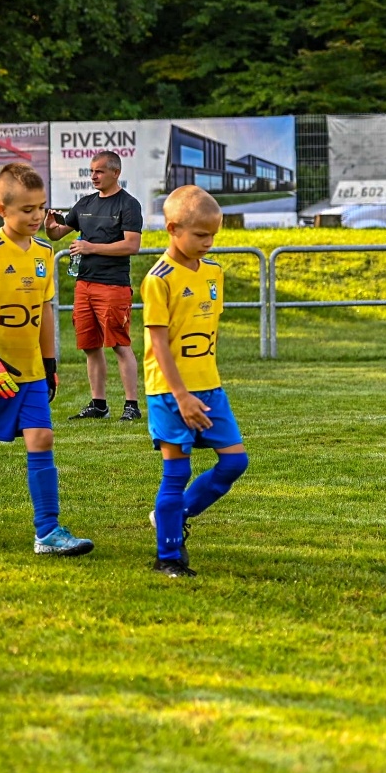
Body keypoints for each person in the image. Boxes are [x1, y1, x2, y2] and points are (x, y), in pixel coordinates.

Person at [0, 162, 94, 556]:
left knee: (42, 437)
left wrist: (50, 363)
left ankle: (48, 531)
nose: (37, 216)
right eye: (27, 209)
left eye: (41, 207)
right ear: (2, 210)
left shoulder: (44, 251)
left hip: (30, 371)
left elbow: (44, 310)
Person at [143, 186, 248, 578]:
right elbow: (158, 344)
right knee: (176, 473)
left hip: (210, 387)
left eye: (213, 235)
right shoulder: (159, 279)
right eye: (201, 235)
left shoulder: (214, 272)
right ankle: (168, 558)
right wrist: (181, 395)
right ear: (173, 229)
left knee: (235, 462)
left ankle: (172, 516)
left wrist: (202, 387)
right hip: (170, 392)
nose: (208, 242)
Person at [45, 151, 144, 421]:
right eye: (91, 171)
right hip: (84, 285)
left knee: (119, 344)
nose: (93, 176)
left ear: (116, 173)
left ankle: (131, 405)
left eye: (99, 171)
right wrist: (50, 226)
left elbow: (132, 245)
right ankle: (98, 405)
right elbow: (57, 233)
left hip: (113, 285)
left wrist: (91, 247)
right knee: (90, 346)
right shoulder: (85, 203)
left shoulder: (128, 205)